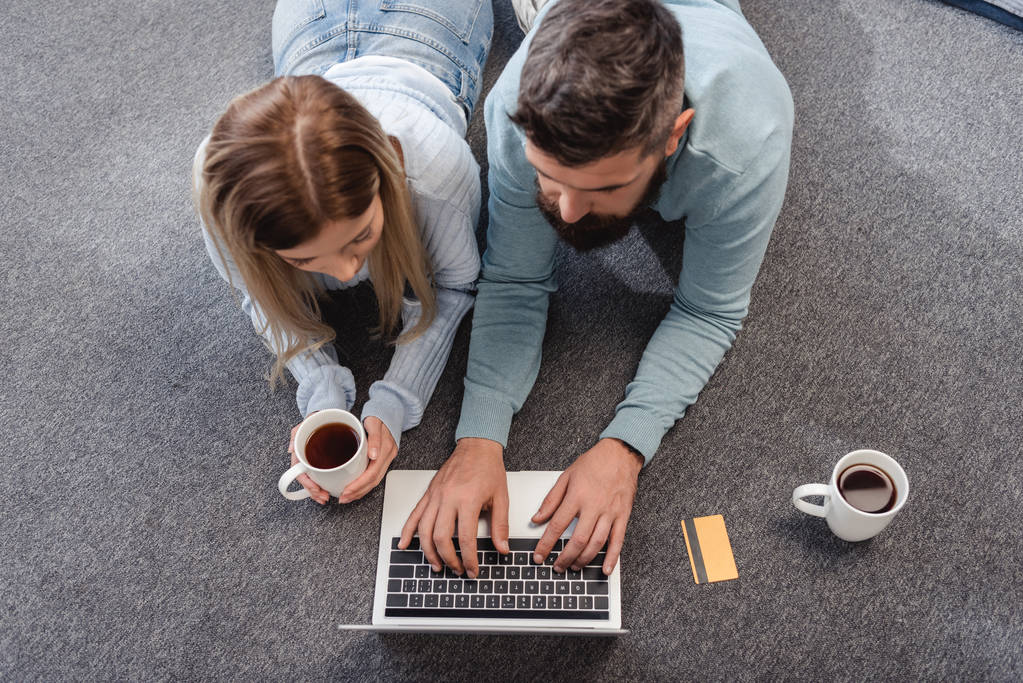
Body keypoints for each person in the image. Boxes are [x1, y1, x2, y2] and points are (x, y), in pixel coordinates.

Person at [399, 0, 793, 577]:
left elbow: (709, 312)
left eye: (601, 187)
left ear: (671, 137)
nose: (568, 211)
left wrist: (625, 448)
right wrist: (478, 437)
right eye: (547, 175)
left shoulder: (746, 144)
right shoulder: (513, 110)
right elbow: (514, 277)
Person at [193, 0, 492, 504]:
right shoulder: (221, 192)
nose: (349, 272)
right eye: (305, 261)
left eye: (360, 237)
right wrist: (320, 392)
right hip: (311, 35)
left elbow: (456, 282)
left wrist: (395, 402)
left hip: (430, 30)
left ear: (390, 172)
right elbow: (256, 292)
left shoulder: (435, 172)